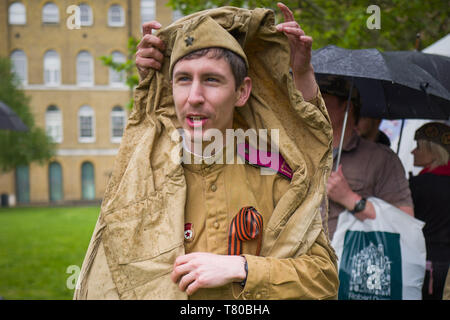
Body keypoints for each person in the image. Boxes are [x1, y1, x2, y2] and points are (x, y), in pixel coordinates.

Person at [74, 3, 339, 300]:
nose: (195, 97)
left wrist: (242, 268)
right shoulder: (145, 183)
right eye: (183, 79)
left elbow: (324, 277)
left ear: (242, 91)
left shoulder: (274, 174)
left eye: (211, 80)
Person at [318, 75, 414, 239]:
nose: (313, 103)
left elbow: (405, 222)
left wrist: (350, 199)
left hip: (346, 261)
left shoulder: (381, 159)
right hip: (296, 260)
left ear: (347, 106)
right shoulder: (299, 150)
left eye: (322, 97)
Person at [409, 122, 450, 300]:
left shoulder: (416, 185)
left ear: (434, 151)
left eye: (418, 146)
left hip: (422, 264)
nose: (413, 152)